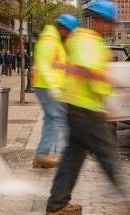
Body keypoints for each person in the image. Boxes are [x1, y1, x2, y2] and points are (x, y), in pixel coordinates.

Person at [46, 2, 122, 215]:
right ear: (99, 20)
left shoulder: (84, 39)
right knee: (107, 155)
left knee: (72, 159)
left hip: (77, 107)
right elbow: (89, 71)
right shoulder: (87, 41)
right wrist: (104, 91)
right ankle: (125, 197)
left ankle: (57, 204)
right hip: (87, 109)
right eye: (110, 23)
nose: (112, 28)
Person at [32, 15, 79, 168]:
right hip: (47, 86)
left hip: (50, 87)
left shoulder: (56, 42)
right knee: (60, 118)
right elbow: (44, 66)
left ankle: (42, 155)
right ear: (62, 28)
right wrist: (53, 87)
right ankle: (67, 156)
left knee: (51, 119)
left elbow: (60, 67)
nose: (70, 35)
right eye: (69, 32)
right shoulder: (48, 42)